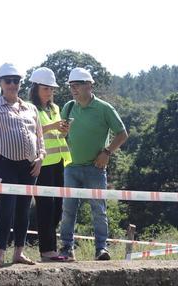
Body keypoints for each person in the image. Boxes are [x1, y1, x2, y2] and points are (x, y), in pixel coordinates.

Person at [0, 63, 44, 267]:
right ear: (0, 83)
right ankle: (0, 254)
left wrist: (40, 158)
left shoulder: (31, 108)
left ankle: (19, 252)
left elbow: (39, 137)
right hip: (4, 164)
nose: (12, 84)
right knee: (6, 208)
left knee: (24, 209)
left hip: (29, 166)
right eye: (8, 81)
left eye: (16, 81)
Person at [58, 67, 128, 261]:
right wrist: (63, 132)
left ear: (90, 85)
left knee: (99, 210)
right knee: (68, 209)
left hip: (95, 168)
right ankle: (66, 249)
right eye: (72, 85)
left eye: (78, 85)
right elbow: (63, 135)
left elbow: (122, 134)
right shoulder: (68, 107)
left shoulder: (105, 108)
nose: (74, 89)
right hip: (71, 167)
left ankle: (101, 249)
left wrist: (107, 152)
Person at [27, 67, 72, 262]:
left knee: (58, 207)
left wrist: (63, 130)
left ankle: (52, 248)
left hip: (59, 162)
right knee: (46, 206)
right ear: (36, 88)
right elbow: (32, 131)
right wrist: (54, 126)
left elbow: (58, 134)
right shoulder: (30, 108)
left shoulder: (54, 108)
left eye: (52, 89)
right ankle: (47, 250)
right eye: (46, 88)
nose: (50, 92)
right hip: (42, 163)